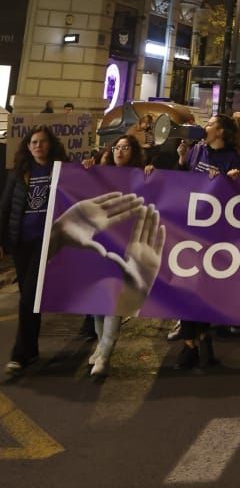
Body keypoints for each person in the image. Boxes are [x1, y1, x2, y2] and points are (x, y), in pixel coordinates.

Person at [173, 115, 240, 370]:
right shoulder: (197, 150)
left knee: (203, 288)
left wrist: (231, 179)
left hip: (213, 233)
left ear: (221, 132)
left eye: (211, 124)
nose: (206, 127)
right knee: (185, 285)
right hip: (189, 227)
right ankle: (196, 340)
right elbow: (183, 180)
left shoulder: (231, 158)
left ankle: (194, 342)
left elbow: (237, 197)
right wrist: (182, 160)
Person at [1, 126, 69, 373]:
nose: (38, 145)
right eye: (33, 142)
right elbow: (6, 207)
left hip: (47, 241)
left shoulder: (61, 169)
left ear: (50, 144)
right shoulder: (19, 173)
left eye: (42, 141)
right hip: (22, 243)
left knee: (29, 296)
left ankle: (20, 353)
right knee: (30, 299)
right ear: (28, 147)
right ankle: (30, 350)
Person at [83, 134, 148, 378]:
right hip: (101, 244)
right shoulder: (103, 172)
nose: (120, 152)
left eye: (126, 148)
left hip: (127, 247)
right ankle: (101, 346)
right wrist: (88, 169)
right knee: (98, 302)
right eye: (117, 147)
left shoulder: (141, 175)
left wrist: (150, 172)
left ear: (134, 152)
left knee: (115, 301)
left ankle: (106, 354)